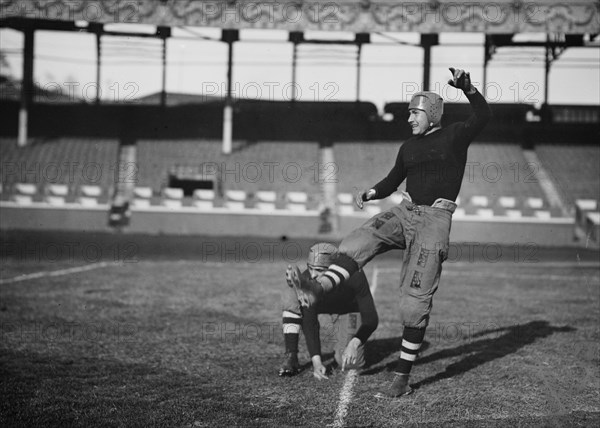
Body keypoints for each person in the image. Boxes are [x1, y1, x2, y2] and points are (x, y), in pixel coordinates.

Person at [287, 68, 491, 397]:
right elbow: (392, 180)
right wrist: (371, 192)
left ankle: (402, 378)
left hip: (434, 220)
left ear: (433, 114)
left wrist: (468, 89)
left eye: (415, 112)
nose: (409, 119)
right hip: (404, 212)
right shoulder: (409, 146)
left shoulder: (455, 135)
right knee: (357, 240)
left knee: (413, 304)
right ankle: (317, 288)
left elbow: (483, 115)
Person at [279, 243, 379, 379]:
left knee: (349, 363)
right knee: (290, 295)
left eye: (319, 270)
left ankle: (345, 341)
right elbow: (310, 322)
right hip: (323, 305)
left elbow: (371, 320)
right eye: (310, 268)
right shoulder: (308, 279)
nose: (313, 275)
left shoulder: (355, 276)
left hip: (347, 310)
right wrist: (317, 361)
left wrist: (354, 343)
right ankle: (291, 356)